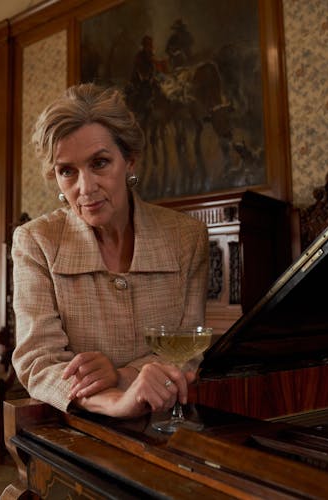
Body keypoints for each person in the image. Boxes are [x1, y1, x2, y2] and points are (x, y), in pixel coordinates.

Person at [11, 83, 209, 419]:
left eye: (100, 163)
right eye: (67, 171)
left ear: (129, 161)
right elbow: (38, 361)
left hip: (172, 418)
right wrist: (114, 401)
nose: (84, 188)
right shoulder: (36, 241)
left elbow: (187, 348)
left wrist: (121, 376)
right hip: (77, 425)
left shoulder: (187, 237)